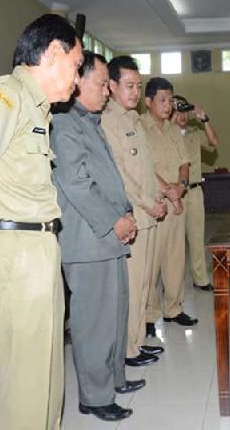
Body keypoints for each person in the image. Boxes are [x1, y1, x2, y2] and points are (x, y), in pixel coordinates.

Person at [0, 14, 82, 430]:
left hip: (38, 249)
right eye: (77, 66)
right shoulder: (3, 98)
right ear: (54, 52)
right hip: (11, 253)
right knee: (20, 386)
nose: (77, 79)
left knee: (44, 379)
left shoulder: (36, 109)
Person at [51, 51, 145, 422]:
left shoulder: (89, 122)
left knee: (115, 315)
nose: (107, 90)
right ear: (78, 82)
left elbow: (109, 179)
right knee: (93, 323)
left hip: (108, 235)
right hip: (88, 239)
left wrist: (125, 214)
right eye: (101, 82)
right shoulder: (64, 124)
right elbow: (77, 183)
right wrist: (114, 220)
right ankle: (93, 395)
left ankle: (114, 379)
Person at [101, 56, 167, 367]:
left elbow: (145, 168)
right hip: (134, 217)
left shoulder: (134, 120)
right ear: (111, 86)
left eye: (139, 86)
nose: (135, 92)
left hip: (150, 215)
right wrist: (147, 202)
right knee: (133, 286)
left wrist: (159, 197)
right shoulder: (108, 121)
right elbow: (121, 177)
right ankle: (127, 349)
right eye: (129, 86)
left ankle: (138, 342)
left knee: (145, 286)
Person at [142, 78, 199, 331]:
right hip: (153, 206)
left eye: (170, 101)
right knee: (150, 264)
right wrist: (168, 190)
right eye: (162, 101)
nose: (168, 106)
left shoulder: (174, 130)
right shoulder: (139, 128)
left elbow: (184, 163)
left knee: (176, 259)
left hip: (176, 203)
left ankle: (173, 309)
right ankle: (148, 316)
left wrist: (181, 187)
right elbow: (140, 168)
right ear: (149, 102)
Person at [171, 94, 218, 291]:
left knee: (197, 237)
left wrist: (204, 120)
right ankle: (172, 281)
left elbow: (213, 143)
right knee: (174, 241)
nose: (182, 115)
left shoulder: (194, 133)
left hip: (195, 190)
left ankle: (200, 279)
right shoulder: (164, 134)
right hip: (174, 193)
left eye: (184, 111)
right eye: (177, 110)